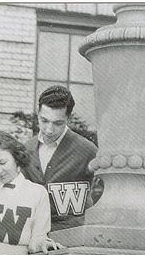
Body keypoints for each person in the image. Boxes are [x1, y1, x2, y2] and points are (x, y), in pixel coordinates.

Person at [23, 85, 97, 231]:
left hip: (71, 239)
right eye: (44, 121)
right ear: (38, 114)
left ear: (68, 119)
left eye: (58, 123)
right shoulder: (26, 149)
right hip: (32, 236)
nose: (49, 129)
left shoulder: (88, 151)